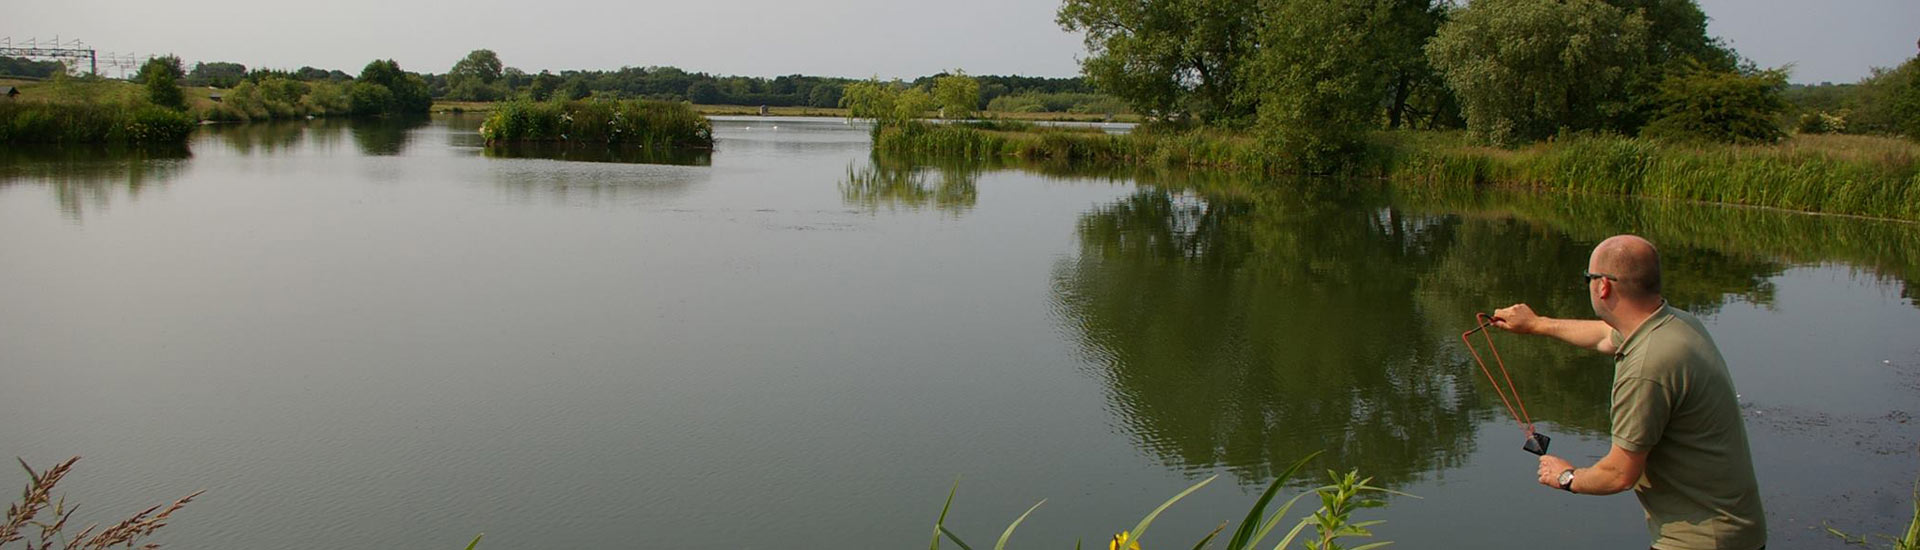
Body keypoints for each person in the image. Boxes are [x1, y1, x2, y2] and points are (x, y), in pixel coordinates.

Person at [1491, 235, 1766, 550]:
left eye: (1587, 278)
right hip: (1737, 532)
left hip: (1700, 542)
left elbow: (1619, 474)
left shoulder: (1646, 367)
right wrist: (1536, 324)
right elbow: (1605, 336)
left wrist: (1566, 476)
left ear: (1603, 286)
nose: (1589, 285)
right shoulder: (1674, 323)